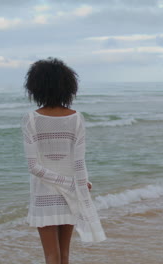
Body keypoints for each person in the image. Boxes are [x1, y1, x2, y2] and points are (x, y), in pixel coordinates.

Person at [21, 57, 106, 264]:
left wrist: (73, 184)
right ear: (68, 86)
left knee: (51, 255)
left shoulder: (31, 119)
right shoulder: (76, 117)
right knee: (64, 255)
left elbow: (34, 167)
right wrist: (80, 185)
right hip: (72, 192)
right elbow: (79, 162)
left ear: (36, 87)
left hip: (44, 194)